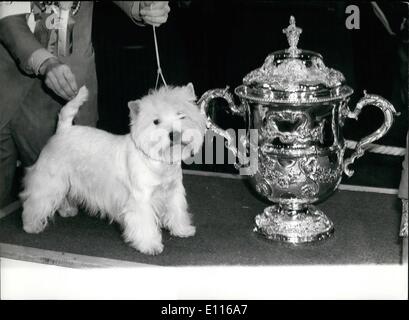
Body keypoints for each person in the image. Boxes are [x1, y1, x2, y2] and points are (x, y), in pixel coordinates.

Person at [0, 1, 170, 208]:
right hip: (14, 87)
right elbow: (9, 21)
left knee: (73, 209)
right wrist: (45, 62)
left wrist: (142, 7)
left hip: (77, 89)